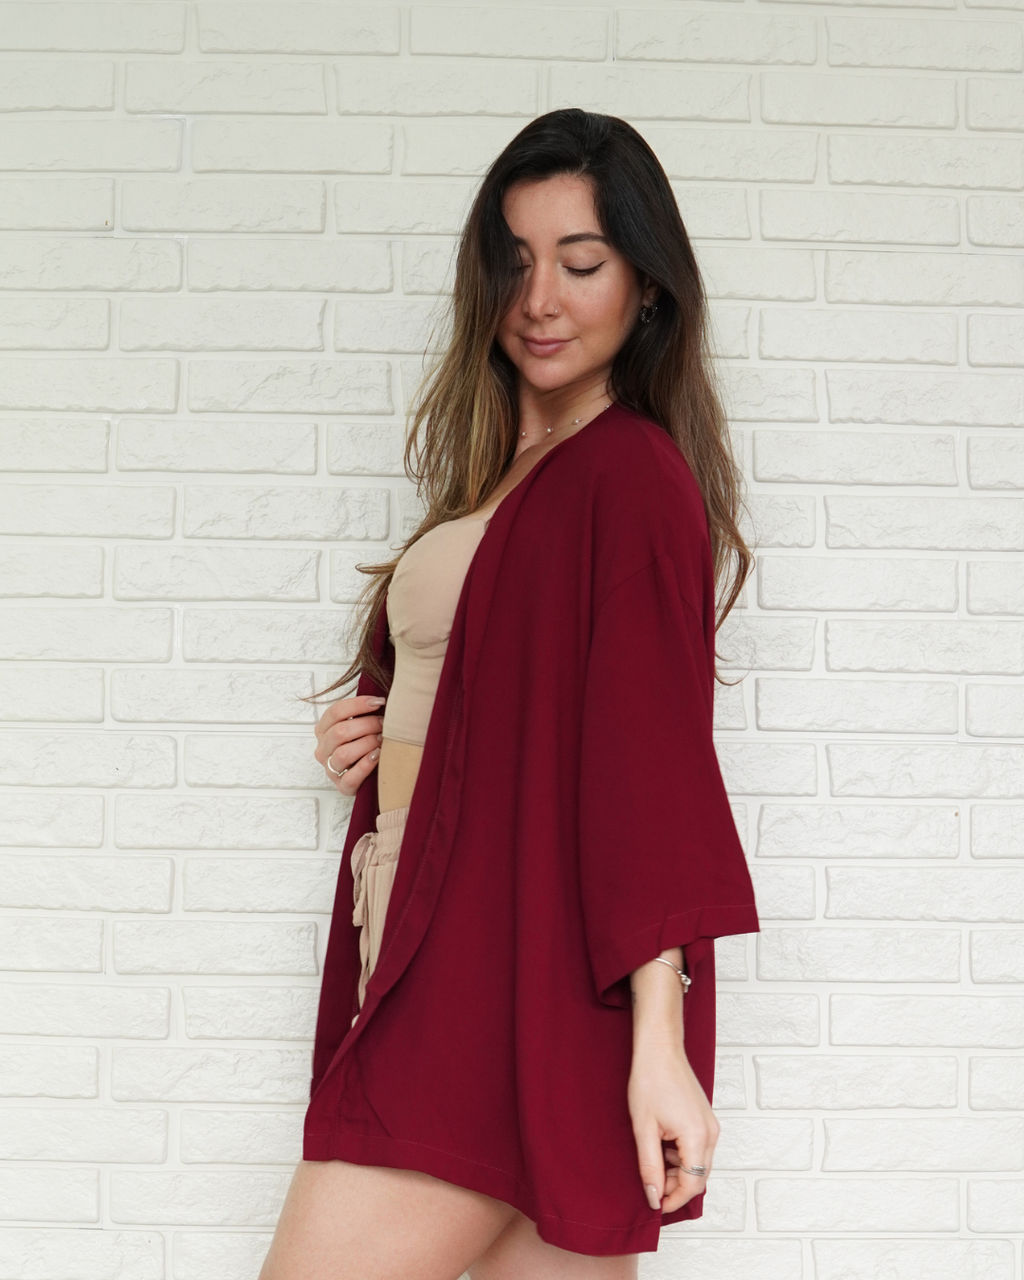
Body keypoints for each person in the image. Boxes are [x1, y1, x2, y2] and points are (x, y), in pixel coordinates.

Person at [259, 109, 760, 1280]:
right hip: (453, 951)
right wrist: (382, 736)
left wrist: (660, 1041)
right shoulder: (508, 475)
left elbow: (648, 771)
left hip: (499, 988)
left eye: (580, 263)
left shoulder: (625, 475)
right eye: (515, 260)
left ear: (646, 286)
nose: (539, 299)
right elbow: (497, 700)